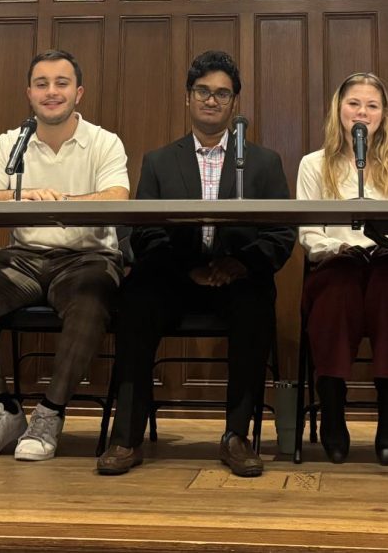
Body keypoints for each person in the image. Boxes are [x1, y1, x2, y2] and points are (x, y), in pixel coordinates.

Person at [97, 50, 295, 477]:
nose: (211, 100)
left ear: (234, 103)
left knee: (257, 302)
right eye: (203, 91)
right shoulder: (159, 161)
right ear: (187, 97)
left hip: (237, 278)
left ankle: (237, 436)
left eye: (222, 94)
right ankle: (126, 437)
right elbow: (143, 233)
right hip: (174, 276)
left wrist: (239, 265)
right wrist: (187, 270)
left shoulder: (263, 163)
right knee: (135, 299)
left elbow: (281, 236)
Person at [0, 49, 129, 462]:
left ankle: (50, 413)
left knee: (92, 299)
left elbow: (117, 196)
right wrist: (23, 195)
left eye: (61, 83)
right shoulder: (10, 142)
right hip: (21, 260)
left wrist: (61, 201)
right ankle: (0, 410)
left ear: (78, 92)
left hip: (86, 259)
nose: (51, 92)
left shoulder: (104, 141)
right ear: (29, 93)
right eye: (41, 84)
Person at [296, 72, 388, 465]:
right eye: (354, 103)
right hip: (339, 263)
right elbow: (309, 234)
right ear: (338, 110)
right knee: (338, 285)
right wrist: (337, 247)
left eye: (372, 106)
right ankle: (332, 409)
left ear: (383, 114)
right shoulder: (313, 164)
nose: (362, 112)